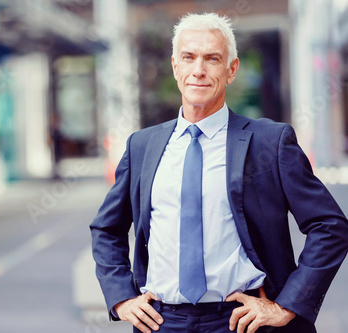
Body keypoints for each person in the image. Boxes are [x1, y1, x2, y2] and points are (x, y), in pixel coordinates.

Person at [90, 12, 348, 333]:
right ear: (175, 66)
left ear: (231, 70)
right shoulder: (143, 145)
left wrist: (287, 305)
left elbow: (329, 226)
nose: (198, 70)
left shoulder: (271, 142)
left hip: (242, 321)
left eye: (212, 58)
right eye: (189, 57)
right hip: (160, 322)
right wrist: (121, 297)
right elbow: (106, 228)